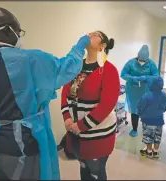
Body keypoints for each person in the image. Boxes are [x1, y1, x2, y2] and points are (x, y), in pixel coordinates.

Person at [0, 7, 91, 180]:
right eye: (19, 31)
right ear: (9, 30)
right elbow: (65, 69)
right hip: (25, 144)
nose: (20, 36)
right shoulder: (31, 59)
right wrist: (79, 47)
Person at [61, 31, 120, 180]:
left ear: (103, 45)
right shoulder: (77, 66)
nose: (89, 34)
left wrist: (82, 125)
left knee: (96, 172)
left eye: (95, 35)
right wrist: (67, 118)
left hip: (97, 135)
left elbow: (107, 104)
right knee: (84, 169)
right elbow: (65, 92)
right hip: (76, 132)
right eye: (89, 32)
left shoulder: (108, 69)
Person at [121, 45, 159, 137]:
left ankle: (147, 129)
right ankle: (134, 129)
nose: (142, 62)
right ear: (138, 56)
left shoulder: (151, 64)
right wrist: (132, 78)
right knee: (135, 110)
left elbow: (156, 76)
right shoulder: (131, 63)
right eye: (140, 60)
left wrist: (146, 78)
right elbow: (123, 74)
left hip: (146, 91)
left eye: (144, 61)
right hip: (133, 91)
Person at [137, 76, 166, 158]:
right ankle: (156, 151)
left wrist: (140, 113)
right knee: (157, 136)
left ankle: (149, 151)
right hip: (159, 121)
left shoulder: (146, 96)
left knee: (148, 137)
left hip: (148, 121)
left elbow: (140, 107)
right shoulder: (164, 95)